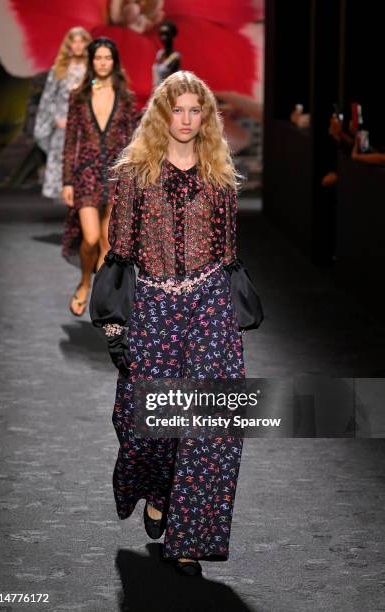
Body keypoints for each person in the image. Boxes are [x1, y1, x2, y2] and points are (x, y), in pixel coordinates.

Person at [90, 71, 259, 577]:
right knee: (148, 425)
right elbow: (119, 252)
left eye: (195, 111)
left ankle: (190, 539)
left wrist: (232, 310)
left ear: (205, 117)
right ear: (162, 115)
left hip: (209, 305)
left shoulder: (219, 175)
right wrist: (116, 328)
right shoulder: (133, 174)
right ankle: (159, 489)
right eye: (177, 110)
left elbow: (229, 253)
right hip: (154, 306)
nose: (186, 120)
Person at [61, 37, 138, 316]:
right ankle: (83, 282)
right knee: (90, 238)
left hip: (115, 174)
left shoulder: (126, 98)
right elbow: (71, 141)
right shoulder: (78, 96)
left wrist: (133, 177)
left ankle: (101, 298)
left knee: (108, 242)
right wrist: (67, 180)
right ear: (91, 61)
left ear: (114, 61)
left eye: (108, 58)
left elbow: (133, 139)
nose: (103, 63)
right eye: (98, 58)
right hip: (86, 174)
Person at [34, 27, 91, 201]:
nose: (78, 45)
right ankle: (70, 205)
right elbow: (48, 98)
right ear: (69, 44)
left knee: (85, 162)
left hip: (87, 124)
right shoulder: (59, 69)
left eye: (82, 41)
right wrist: (55, 118)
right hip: (64, 125)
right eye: (74, 41)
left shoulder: (92, 68)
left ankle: (84, 201)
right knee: (64, 162)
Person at [152, 20, 181, 89]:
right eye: (161, 34)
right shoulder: (159, 54)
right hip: (155, 93)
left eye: (166, 34)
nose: (163, 37)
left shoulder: (175, 57)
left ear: (173, 36)